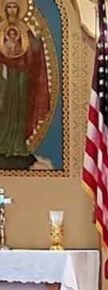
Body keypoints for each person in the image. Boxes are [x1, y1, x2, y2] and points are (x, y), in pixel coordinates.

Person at [0, 0, 52, 170]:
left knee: (21, 111)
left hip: (21, 79)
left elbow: (33, 52)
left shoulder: (26, 31)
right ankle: (3, 144)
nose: (12, 10)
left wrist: (39, 41)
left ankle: (18, 147)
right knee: (4, 111)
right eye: (9, 7)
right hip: (5, 79)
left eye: (15, 6)